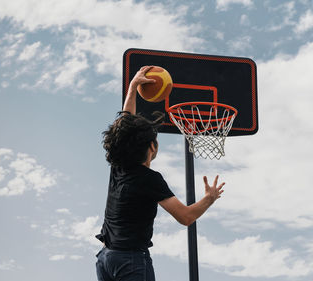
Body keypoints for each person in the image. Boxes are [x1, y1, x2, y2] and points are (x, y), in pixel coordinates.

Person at [95, 66, 225, 281]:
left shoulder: (118, 166)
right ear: (152, 147)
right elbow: (185, 217)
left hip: (106, 258)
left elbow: (126, 123)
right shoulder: (150, 179)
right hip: (131, 261)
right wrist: (209, 198)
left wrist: (133, 86)